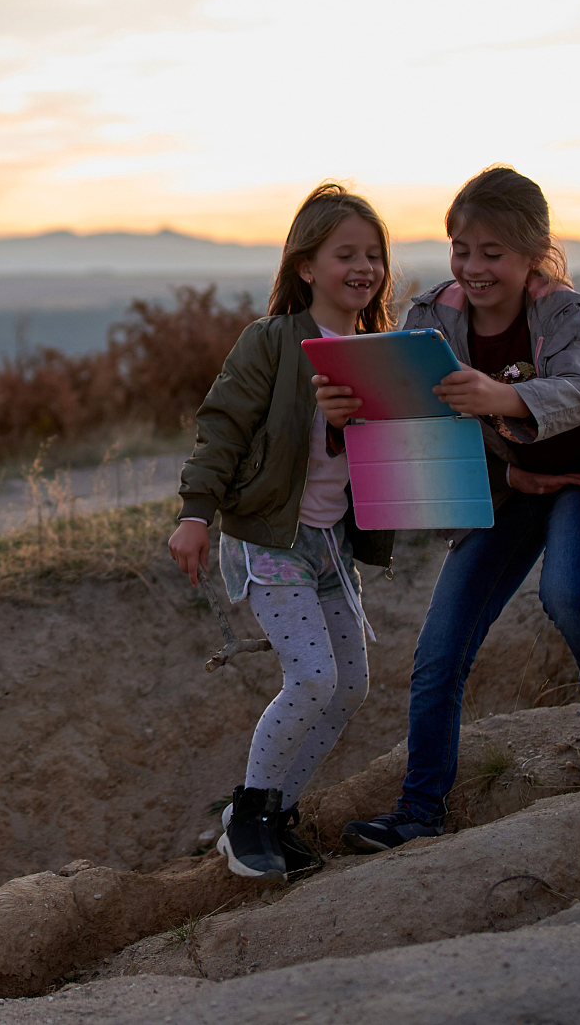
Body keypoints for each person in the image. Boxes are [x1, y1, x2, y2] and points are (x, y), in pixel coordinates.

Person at [324, 166, 580, 853]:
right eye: (461, 249)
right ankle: (418, 810)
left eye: (493, 252)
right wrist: (347, 414)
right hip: (510, 489)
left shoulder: (560, 312)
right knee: (438, 654)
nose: (473, 267)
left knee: (568, 592)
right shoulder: (430, 320)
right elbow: (414, 427)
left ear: (533, 254)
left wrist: (502, 397)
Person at [169, 182, 397, 881]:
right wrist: (195, 513)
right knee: (313, 676)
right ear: (306, 265)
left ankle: (275, 814)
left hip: (333, 546)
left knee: (350, 687)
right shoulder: (272, 341)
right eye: (344, 254)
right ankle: (246, 818)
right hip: (270, 540)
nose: (363, 267)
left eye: (373, 254)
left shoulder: (382, 354)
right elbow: (223, 427)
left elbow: (390, 454)